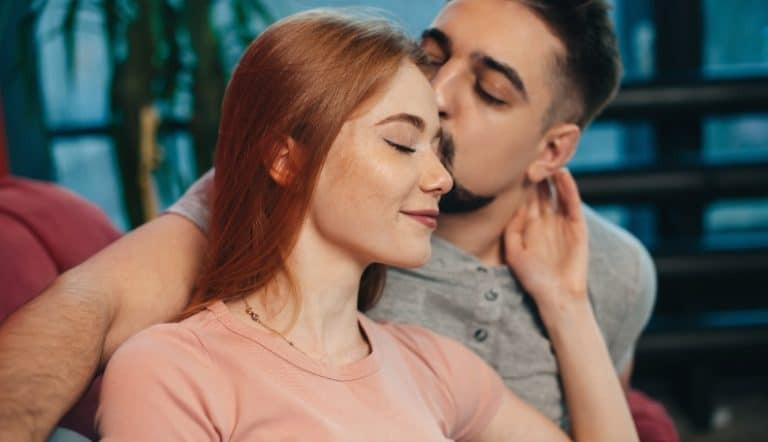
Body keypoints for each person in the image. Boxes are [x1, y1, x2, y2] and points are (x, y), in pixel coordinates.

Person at [0, 1, 655, 440]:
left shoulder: (440, 362)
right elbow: (93, 303)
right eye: (431, 57)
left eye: (490, 91)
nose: (439, 92)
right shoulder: (238, 223)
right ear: (286, 157)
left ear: (552, 151)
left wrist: (567, 304)